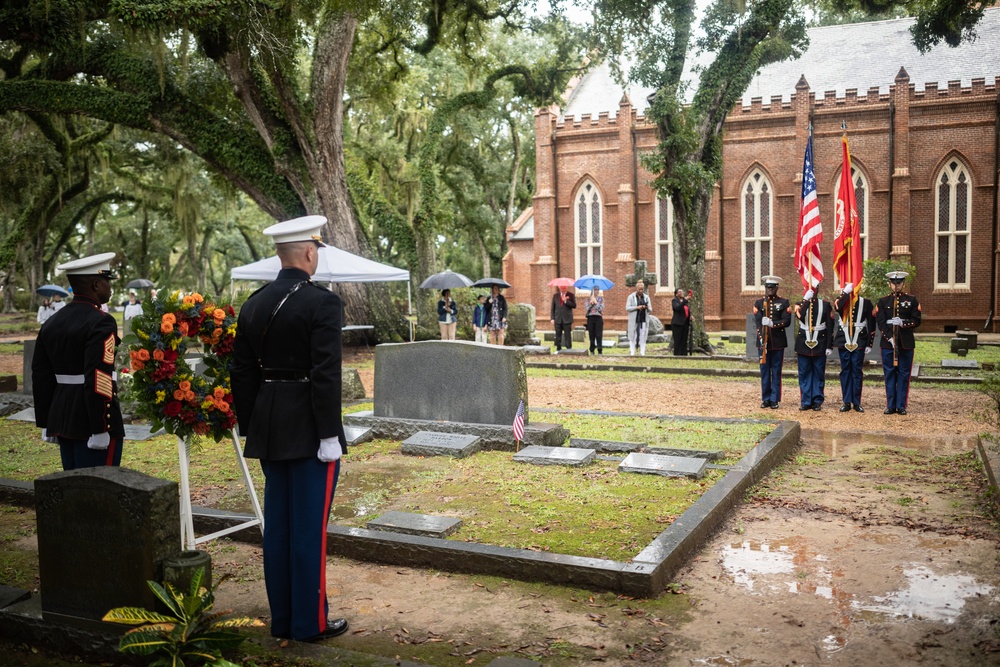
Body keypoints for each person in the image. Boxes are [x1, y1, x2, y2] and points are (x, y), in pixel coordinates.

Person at [231, 215, 349, 643]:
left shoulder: (255, 302)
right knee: (308, 531)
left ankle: (283, 619)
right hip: (309, 429)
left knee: (278, 528)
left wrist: (252, 425)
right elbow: (325, 374)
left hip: (269, 426)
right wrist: (329, 435)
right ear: (310, 252)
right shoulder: (322, 303)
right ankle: (308, 624)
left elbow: (241, 373)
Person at [32, 253, 125, 470]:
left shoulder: (52, 322)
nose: (110, 288)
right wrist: (101, 426)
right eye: (107, 282)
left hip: (63, 418)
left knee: (73, 488)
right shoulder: (101, 322)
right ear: (95, 284)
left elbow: (41, 376)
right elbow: (99, 376)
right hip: (92, 421)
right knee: (100, 489)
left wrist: (47, 421)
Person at [874, 270, 922, 415]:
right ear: (889, 284)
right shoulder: (883, 301)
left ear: (903, 284)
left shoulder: (911, 300)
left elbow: (917, 320)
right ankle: (890, 405)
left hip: (905, 343)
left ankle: (901, 405)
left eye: (899, 283)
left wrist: (903, 323)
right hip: (888, 344)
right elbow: (880, 322)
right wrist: (889, 338)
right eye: (893, 283)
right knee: (889, 374)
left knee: (903, 374)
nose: (896, 286)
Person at [832, 281, 876, 413]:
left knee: (857, 371)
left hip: (859, 340)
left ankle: (856, 402)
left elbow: (871, 324)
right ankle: (846, 401)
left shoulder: (866, 303)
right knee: (845, 371)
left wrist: (869, 343)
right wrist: (845, 293)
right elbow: (838, 308)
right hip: (844, 340)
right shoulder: (841, 300)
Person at [793, 283, 834, 411]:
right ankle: (806, 400)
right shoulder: (799, 305)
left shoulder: (825, 305)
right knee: (804, 373)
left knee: (818, 373)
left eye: (813, 288)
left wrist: (829, 346)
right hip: (804, 343)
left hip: (820, 343)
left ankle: (817, 400)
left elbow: (830, 327)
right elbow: (801, 316)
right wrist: (805, 300)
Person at [753, 275, 791, 409]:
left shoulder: (784, 302)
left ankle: (774, 399)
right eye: (767, 287)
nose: (769, 290)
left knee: (776, 371)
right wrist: (762, 338)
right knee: (764, 371)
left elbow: (787, 321)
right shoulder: (758, 303)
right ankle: (766, 398)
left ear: (776, 288)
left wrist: (772, 324)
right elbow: (757, 323)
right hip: (763, 343)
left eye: (772, 287)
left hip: (778, 342)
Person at [626, 280, 652, 356]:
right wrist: (637, 307)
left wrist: (646, 307)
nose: (641, 290)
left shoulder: (646, 297)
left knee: (643, 335)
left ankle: (642, 352)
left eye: (642, 289)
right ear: (636, 289)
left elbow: (650, 309)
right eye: (639, 289)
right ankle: (632, 352)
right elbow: (627, 308)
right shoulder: (631, 297)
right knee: (633, 335)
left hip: (643, 319)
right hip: (634, 319)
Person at [550, 284, 576, 351]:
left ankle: (568, 349)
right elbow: (553, 308)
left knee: (567, 335)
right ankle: (558, 348)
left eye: (564, 288)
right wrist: (552, 318)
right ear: (559, 288)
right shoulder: (555, 296)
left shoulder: (571, 295)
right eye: (562, 288)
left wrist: (565, 301)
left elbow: (574, 305)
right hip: (558, 319)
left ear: (567, 288)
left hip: (567, 319)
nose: (563, 289)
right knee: (558, 335)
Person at [671, 288, 693, 356]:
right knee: (678, 339)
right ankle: (677, 354)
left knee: (684, 339)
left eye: (682, 291)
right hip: (677, 323)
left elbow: (686, 310)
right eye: (680, 292)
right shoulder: (675, 300)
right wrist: (685, 299)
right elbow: (677, 308)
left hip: (685, 323)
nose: (682, 293)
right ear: (676, 294)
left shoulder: (685, 301)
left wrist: (690, 316)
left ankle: (684, 354)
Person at [585, 288, 605, 354]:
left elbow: (601, 308)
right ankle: (592, 350)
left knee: (599, 334)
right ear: (592, 291)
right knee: (591, 334)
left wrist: (596, 303)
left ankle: (599, 350)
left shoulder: (601, 299)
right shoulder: (588, 299)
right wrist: (591, 303)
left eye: (597, 290)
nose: (597, 291)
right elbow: (587, 308)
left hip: (598, 317)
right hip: (590, 318)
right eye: (595, 290)